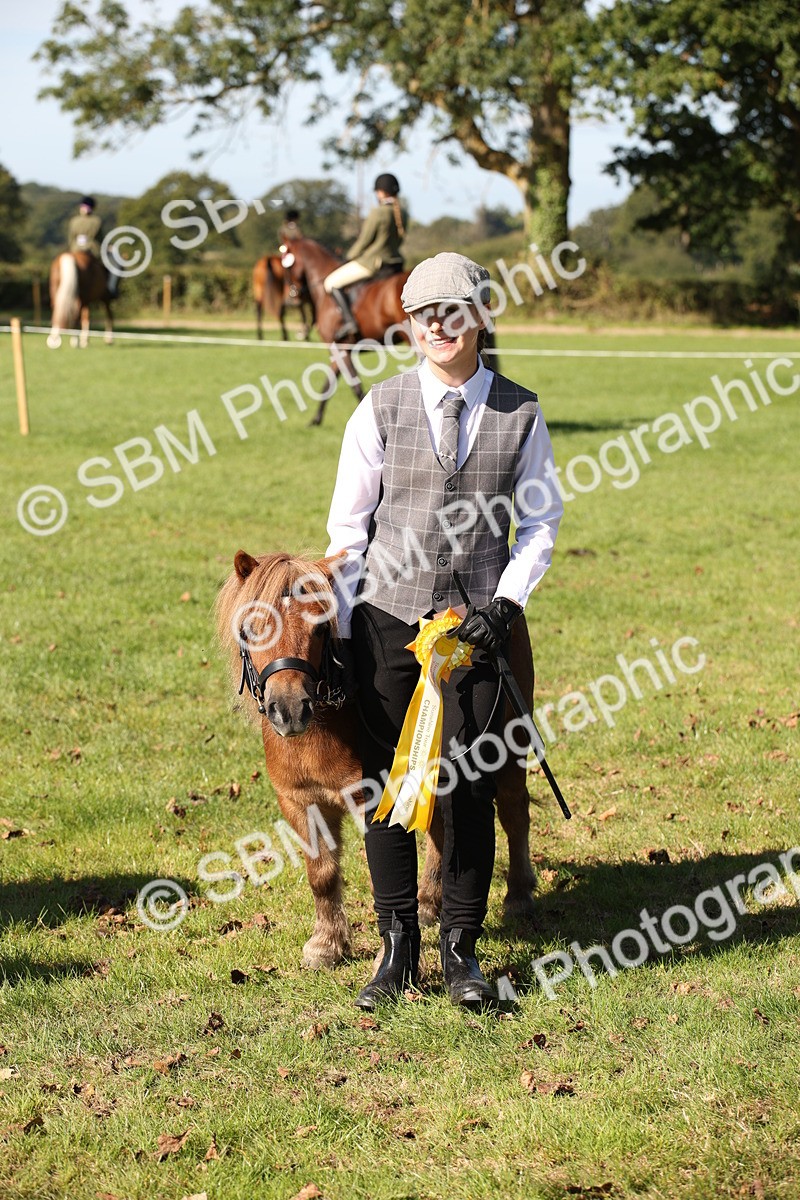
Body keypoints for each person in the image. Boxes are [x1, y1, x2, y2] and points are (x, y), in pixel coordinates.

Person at [325, 252, 563, 1011]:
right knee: (391, 790)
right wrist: (344, 624)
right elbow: (347, 526)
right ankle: (396, 951)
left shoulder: (521, 412)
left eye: (453, 310)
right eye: (423, 312)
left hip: (478, 631)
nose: (438, 324)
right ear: (409, 323)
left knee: (467, 787)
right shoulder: (379, 407)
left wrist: (507, 603)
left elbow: (542, 523)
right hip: (387, 621)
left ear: (481, 317)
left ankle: (461, 951)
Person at [323, 172, 405, 339]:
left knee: (330, 283)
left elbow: (364, 241)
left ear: (381, 192)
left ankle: (349, 322)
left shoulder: (378, 213)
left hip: (374, 263)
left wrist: (348, 257)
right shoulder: (402, 213)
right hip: (396, 263)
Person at [67, 195, 119, 299]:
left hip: (74, 250)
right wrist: (109, 247)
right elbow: (100, 239)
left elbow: (71, 239)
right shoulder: (96, 221)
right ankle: (111, 289)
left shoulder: (73, 221)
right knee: (116, 265)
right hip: (92, 250)